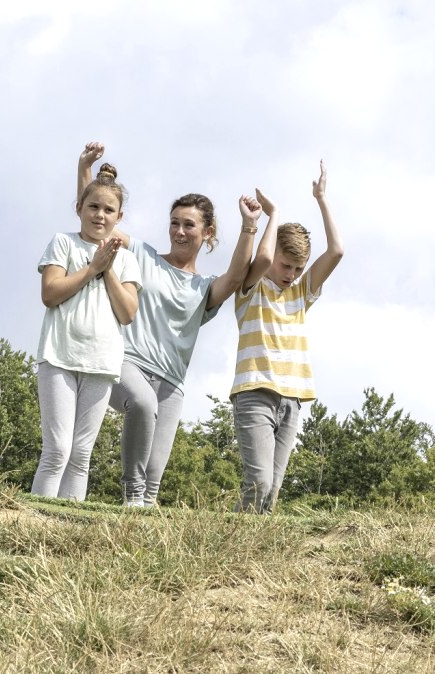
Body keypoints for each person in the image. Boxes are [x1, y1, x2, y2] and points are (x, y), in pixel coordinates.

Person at [74, 143, 268, 506]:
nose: (179, 231)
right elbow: (96, 223)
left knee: (154, 482)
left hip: (171, 383)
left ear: (207, 233)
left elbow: (238, 274)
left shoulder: (205, 287)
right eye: (174, 223)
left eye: (189, 225)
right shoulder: (144, 256)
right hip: (127, 363)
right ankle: (130, 493)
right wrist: (85, 169)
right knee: (142, 407)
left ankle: (135, 534)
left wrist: (249, 226)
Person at [230, 161, 344, 514]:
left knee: (273, 491)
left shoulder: (301, 293)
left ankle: (255, 552)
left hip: (292, 398)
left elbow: (337, 251)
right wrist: (272, 214)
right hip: (254, 392)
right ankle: (231, 540)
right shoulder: (252, 285)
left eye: (298, 268)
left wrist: (321, 199)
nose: (292, 275)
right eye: (286, 266)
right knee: (259, 481)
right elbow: (263, 257)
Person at [32, 163, 141, 501]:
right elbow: (50, 294)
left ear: (119, 217)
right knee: (57, 450)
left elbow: (127, 313)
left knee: (80, 455)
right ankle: (35, 521)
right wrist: (92, 267)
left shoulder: (126, 260)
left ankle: (65, 525)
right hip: (59, 357)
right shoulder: (63, 243)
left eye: (109, 210)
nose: (100, 215)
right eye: (93, 207)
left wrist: (106, 269)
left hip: (102, 363)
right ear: (79, 208)